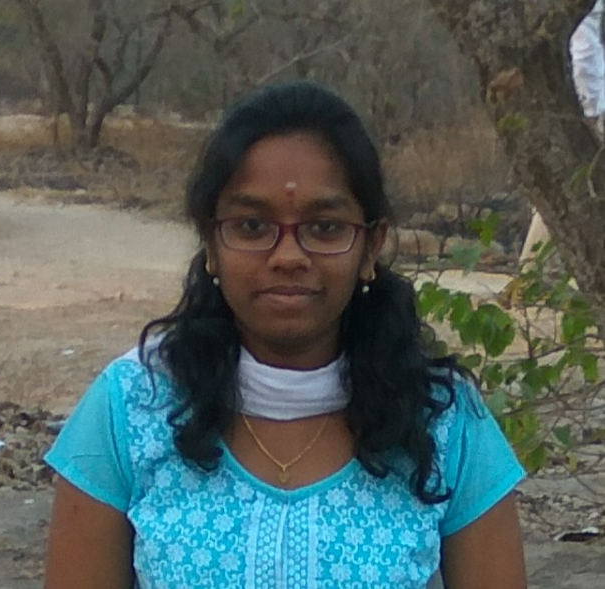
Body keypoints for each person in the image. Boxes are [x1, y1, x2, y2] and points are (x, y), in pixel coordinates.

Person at [43, 81, 527, 589]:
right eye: (252, 226)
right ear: (211, 243)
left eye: (325, 228)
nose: (288, 256)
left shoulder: (443, 421)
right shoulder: (130, 408)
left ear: (371, 246)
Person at [520, 0, 605, 268]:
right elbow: (583, 39)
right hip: (588, 106)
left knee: (569, 190)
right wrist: (590, 106)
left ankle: (535, 273)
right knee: (569, 189)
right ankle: (535, 273)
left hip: (584, 101)